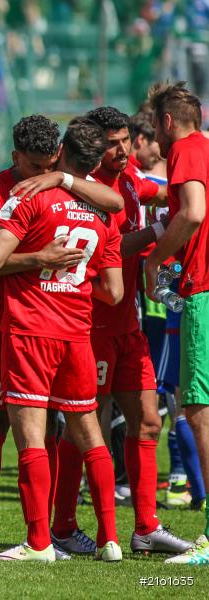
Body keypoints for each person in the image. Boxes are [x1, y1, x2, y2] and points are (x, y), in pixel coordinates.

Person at [0, 117, 125, 563]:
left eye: (47, 165)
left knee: (45, 429)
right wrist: (43, 260)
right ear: (15, 158)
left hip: (33, 324)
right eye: (33, 166)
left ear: (58, 158)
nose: (39, 175)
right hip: (0, 321)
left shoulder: (56, 190)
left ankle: (48, 534)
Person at [78, 105, 190, 555]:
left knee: (147, 421)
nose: (124, 149)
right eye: (112, 142)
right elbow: (112, 246)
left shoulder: (126, 179)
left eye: (126, 140)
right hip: (92, 324)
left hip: (130, 324)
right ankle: (69, 525)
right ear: (94, 145)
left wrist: (184, 195)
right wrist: (162, 231)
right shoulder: (89, 187)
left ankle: (145, 527)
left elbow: (160, 193)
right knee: (86, 429)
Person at [144, 81, 209, 565]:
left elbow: (193, 212)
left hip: (203, 291)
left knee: (199, 410)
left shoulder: (186, 150)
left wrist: (155, 261)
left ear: (167, 122)